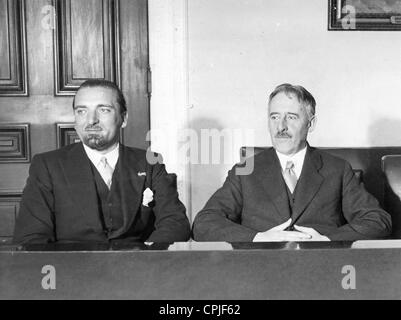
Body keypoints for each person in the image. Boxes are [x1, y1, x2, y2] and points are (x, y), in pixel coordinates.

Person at [192, 83, 392, 242]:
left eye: (292, 117)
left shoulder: (337, 169)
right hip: (260, 272)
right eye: (274, 117)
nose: (281, 127)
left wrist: (328, 239)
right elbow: (203, 224)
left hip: (321, 271)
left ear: (311, 123)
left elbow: (378, 220)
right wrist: (257, 238)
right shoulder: (245, 171)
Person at [14, 79, 190, 244]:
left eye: (103, 110)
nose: (91, 120)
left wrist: (146, 260)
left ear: (124, 118)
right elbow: (31, 237)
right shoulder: (47, 166)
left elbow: (176, 223)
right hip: (72, 271)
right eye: (82, 111)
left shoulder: (150, 163)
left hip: (136, 270)